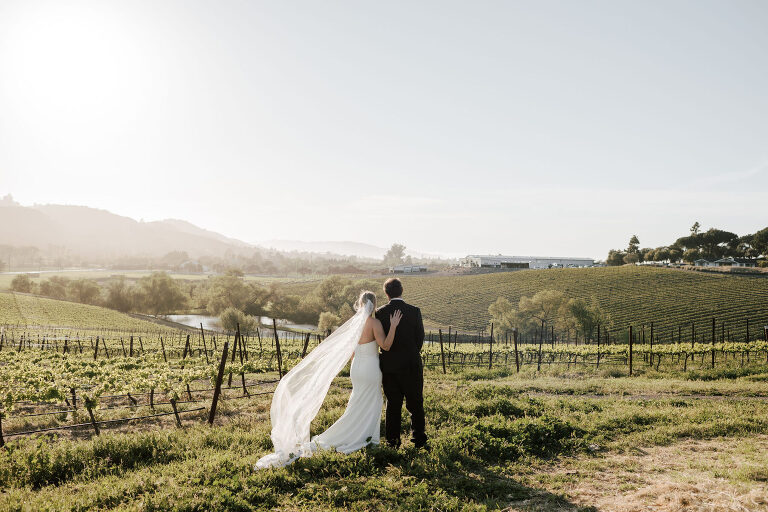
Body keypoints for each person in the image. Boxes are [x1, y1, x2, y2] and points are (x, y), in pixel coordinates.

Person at [255, 290, 401, 469]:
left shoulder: (355, 324)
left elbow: (351, 351)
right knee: (372, 400)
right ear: (374, 304)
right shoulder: (374, 323)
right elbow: (385, 345)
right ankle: (367, 438)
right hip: (370, 367)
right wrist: (393, 326)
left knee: (357, 401)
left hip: (356, 367)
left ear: (360, 304)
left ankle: (360, 435)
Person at [375, 278, 428, 449]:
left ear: (386, 293)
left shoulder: (380, 313)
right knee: (416, 403)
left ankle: (393, 441)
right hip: (412, 365)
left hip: (390, 366)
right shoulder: (414, 311)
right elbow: (420, 338)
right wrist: (410, 354)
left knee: (393, 404)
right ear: (402, 290)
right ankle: (419, 439)